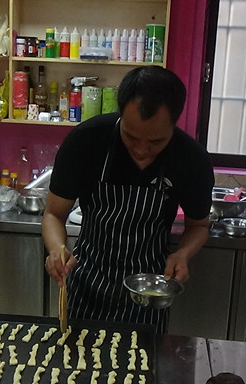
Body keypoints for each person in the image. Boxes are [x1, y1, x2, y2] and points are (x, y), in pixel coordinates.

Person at [42, 66, 214, 332]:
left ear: (175, 123)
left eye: (156, 142)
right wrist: (57, 249)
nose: (142, 150)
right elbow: (54, 214)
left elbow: (198, 226)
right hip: (87, 285)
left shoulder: (191, 159)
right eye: (131, 137)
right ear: (120, 113)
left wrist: (183, 254)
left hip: (147, 293)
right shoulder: (86, 141)